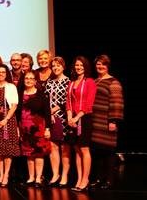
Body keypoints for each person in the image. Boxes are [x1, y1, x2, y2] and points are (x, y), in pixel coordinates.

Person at [90, 55, 124, 190]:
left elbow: (117, 103)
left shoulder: (113, 82)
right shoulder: (94, 81)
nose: (100, 67)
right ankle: (99, 178)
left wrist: (113, 121)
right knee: (97, 152)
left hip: (106, 122)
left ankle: (109, 180)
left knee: (108, 152)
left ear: (108, 66)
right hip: (94, 122)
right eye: (98, 64)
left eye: (103, 64)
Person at [66, 56, 97, 192]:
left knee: (84, 148)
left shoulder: (89, 82)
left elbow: (89, 104)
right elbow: (68, 102)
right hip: (72, 119)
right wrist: (69, 117)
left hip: (84, 118)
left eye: (81, 65)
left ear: (86, 67)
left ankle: (86, 179)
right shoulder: (72, 82)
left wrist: (76, 117)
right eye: (77, 65)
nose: (79, 67)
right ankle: (79, 179)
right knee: (76, 149)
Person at [18, 70, 51, 186]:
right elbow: (17, 113)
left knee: (38, 153)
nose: (28, 80)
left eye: (31, 78)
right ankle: (31, 177)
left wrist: (47, 129)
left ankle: (38, 178)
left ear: (35, 81)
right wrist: (18, 127)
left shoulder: (41, 95)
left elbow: (47, 113)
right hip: (24, 129)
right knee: (29, 154)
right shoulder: (20, 94)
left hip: (38, 128)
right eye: (26, 78)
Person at [44, 56, 70, 186]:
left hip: (63, 118)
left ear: (63, 66)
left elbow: (67, 100)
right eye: (53, 66)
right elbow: (45, 99)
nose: (55, 67)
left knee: (64, 147)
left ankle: (64, 175)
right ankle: (55, 174)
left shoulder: (68, 82)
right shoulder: (49, 82)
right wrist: (48, 113)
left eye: (58, 65)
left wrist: (54, 110)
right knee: (53, 146)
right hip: (50, 119)